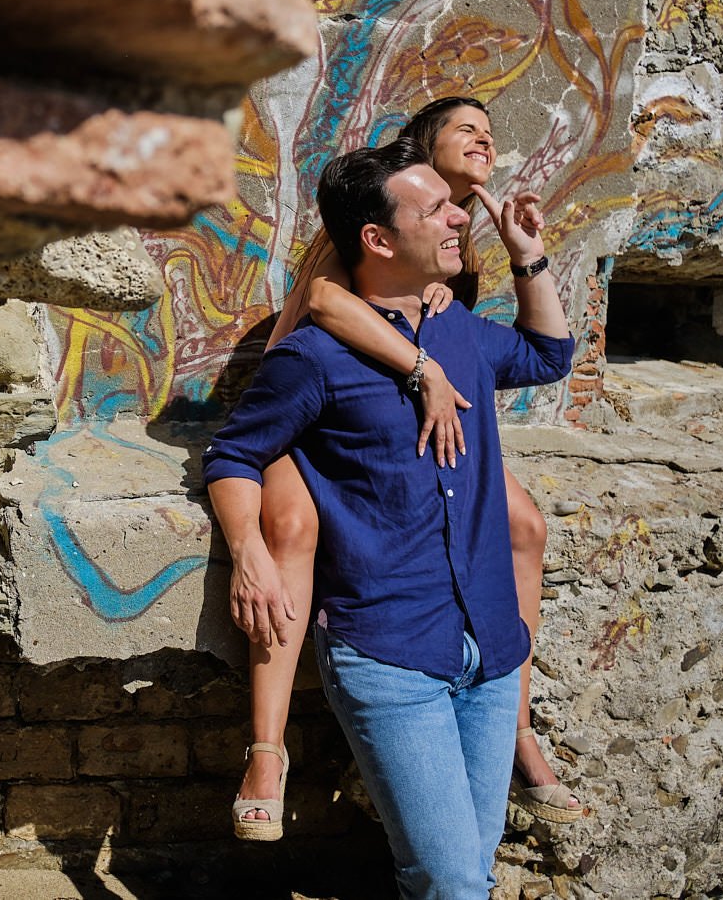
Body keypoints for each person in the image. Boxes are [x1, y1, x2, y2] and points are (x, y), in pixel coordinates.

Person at [204, 137, 573, 897]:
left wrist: (528, 256)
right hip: (388, 651)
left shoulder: (458, 329)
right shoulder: (313, 358)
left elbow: (548, 356)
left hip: (492, 646)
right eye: (435, 209)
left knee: (468, 874)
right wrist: (249, 551)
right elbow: (233, 455)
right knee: (449, 880)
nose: (457, 217)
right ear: (376, 239)